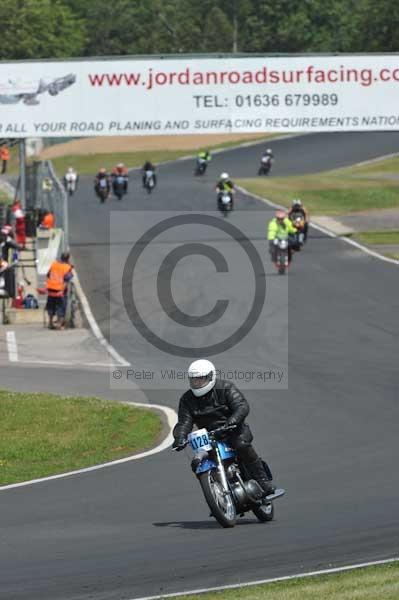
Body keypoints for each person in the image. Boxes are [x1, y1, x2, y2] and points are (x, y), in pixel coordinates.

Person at [172, 359, 276, 497]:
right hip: (209, 436)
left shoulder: (225, 387)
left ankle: (263, 481)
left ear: (211, 376)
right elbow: (184, 422)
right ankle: (216, 494)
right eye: (194, 380)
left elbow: (241, 406)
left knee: (241, 445)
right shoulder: (186, 399)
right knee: (196, 463)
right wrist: (180, 437)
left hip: (234, 430)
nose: (197, 383)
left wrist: (232, 421)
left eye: (200, 379)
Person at [45, 252, 73, 330]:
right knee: (61, 306)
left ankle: (50, 323)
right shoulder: (67, 267)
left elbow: (48, 275)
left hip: (51, 290)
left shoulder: (54, 264)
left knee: (51, 306)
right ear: (68, 259)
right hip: (60, 291)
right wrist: (62, 290)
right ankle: (59, 325)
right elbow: (66, 280)